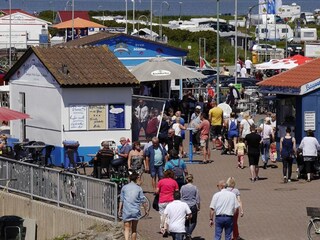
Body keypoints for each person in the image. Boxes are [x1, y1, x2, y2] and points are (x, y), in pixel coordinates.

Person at [118, 172, 149, 240]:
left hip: (126, 210)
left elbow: (121, 200)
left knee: (126, 228)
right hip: (135, 211)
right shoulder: (139, 188)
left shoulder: (124, 187)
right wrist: (146, 210)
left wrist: (119, 210)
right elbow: (142, 200)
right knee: (134, 229)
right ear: (136, 179)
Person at [156, 169, 179, 237]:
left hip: (162, 200)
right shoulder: (174, 182)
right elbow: (177, 191)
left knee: (162, 215)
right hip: (171, 200)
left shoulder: (161, 181)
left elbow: (157, 191)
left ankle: (163, 228)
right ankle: (167, 228)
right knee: (169, 216)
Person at [180, 174, 200, 240]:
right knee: (193, 221)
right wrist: (198, 206)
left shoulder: (183, 187)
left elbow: (180, 196)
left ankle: (186, 234)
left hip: (184, 206)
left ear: (186, 180)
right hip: (192, 206)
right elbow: (197, 198)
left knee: (185, 221)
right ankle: (189, 233)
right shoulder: (195, 188)